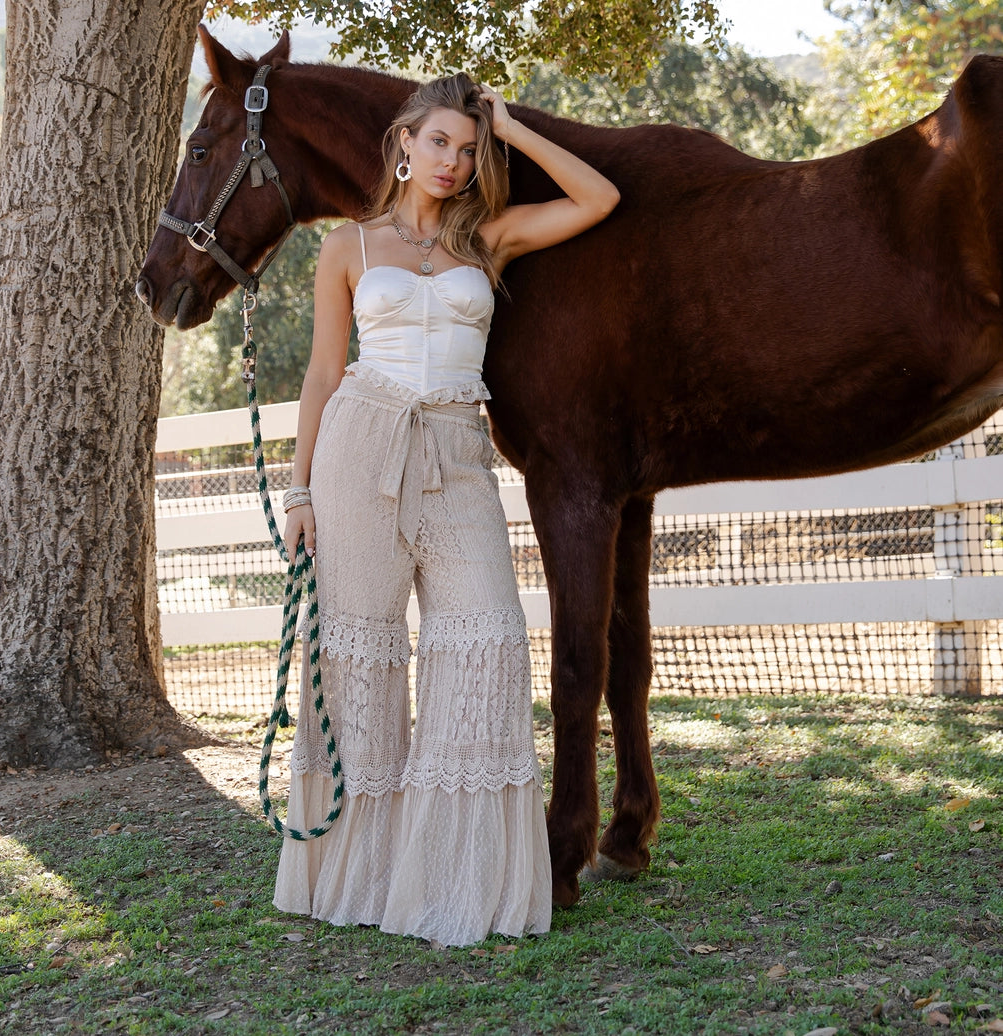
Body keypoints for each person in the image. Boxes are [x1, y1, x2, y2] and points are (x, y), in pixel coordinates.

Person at [272, 72, 620, 947]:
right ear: (403, 142)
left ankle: (458, 879)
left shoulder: (486, 240)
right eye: (438, 142)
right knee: (360, 660)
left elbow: (598, 198)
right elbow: (322, 373)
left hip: (458, 454)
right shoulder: (348, 246)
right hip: (361, 446)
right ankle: (360, 877)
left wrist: (514, 129)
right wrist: (299, 489)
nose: (453, 163)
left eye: (468, 150)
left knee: (488, 638)